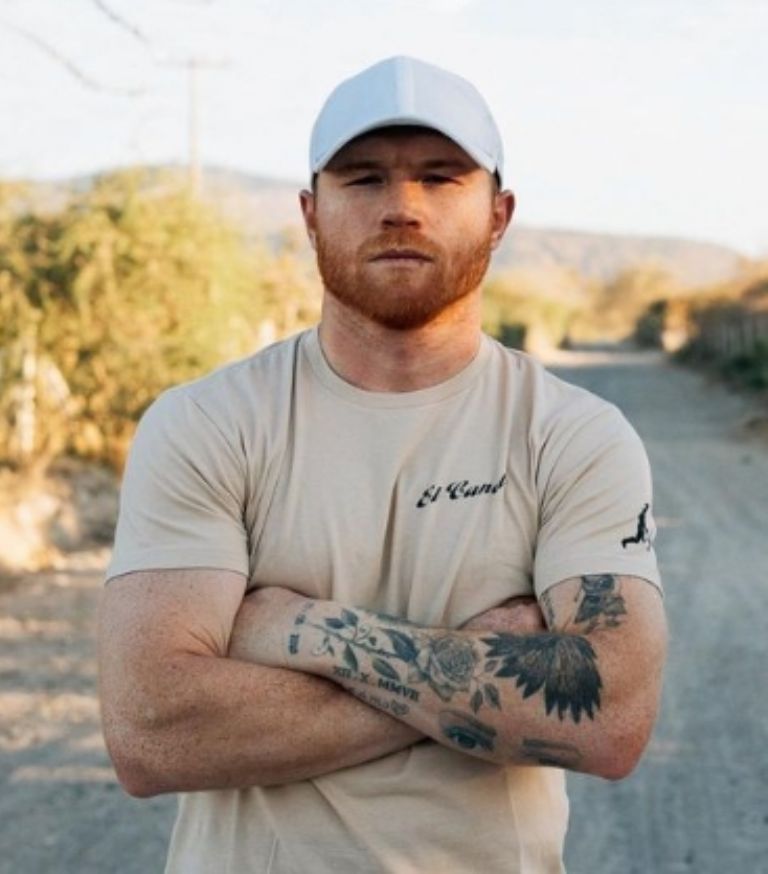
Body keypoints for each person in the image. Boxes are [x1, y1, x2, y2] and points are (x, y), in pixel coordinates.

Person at [98, 55, 667, 873]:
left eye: (440, 177)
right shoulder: (207, 424)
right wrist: (474, 668)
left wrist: (293, 629)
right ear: (310, 213)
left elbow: (610, 720)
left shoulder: (573, 437)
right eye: (363, 179)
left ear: (499, 215)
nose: (402, 207)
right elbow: (153, 733)